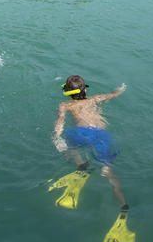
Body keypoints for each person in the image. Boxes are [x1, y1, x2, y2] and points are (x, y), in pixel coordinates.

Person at [53, 75, 128, 209]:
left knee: (71, 147)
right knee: (108, 170)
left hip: (80, 134)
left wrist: (57, 137)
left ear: (67, 92)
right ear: (85, 90)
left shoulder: (65, 105)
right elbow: (114, 94)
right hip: (100, 135)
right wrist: (121, 88)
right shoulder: (95, 99)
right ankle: (123, 205)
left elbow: (60, 123)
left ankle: (82, 165)